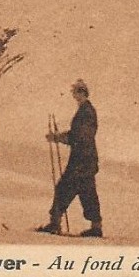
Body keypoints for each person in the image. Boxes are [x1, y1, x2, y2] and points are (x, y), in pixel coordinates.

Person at [37, 79, 103, 237]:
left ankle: (55, 222)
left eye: (77, 92)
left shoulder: (86, 111)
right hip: (85, 159)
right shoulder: (85, 110)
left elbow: (80, 136)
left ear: (83, 93)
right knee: (86, 192)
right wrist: (60, 137)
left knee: (65, 188)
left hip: (82, 160)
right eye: (74, 92)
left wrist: (59, 137)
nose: (75, 95)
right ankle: (95, 226)